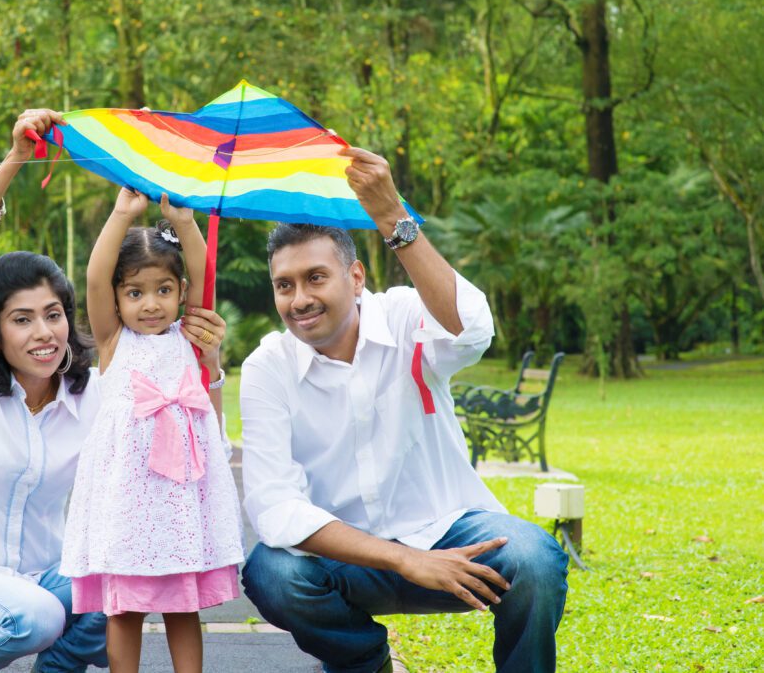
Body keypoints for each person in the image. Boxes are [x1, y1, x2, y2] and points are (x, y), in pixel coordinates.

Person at [0, 108, 228, 673]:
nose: (43, 332)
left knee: (112, 579)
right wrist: (16, 160)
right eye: (22, 319)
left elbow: (189, 414)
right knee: (39, 617)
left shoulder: (99, 394)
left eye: (53, 315)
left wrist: (213, 365)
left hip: (43, 580)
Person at [238, 146, 570, 673]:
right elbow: (275, 507)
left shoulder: (405, 316)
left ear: (355, 277)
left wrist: (394, 217)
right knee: (272, 573)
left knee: (534, 558)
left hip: (449, 535)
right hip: (348, 561)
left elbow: (474, 330)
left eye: (315, 278)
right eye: (284, 285)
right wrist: (403, 559)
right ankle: (368, 663)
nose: (299, 299)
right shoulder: (267, 367)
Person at [60, 187, 244, 673]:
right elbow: (95, 277)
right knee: (126, 606)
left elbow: (204, 271)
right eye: (135, 292)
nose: (150, 304)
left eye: (164, 289)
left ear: (182, 292)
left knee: (183, 604)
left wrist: (184, 223)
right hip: (129, 502)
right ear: (118, 299)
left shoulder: (192, 335)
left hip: (181, 501)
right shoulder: (113, 341)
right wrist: (122, 213)